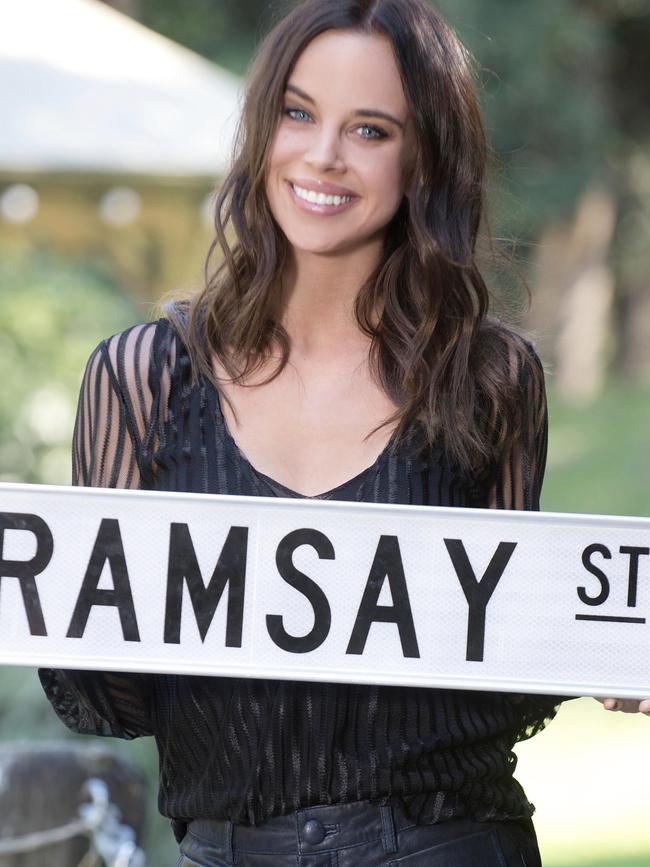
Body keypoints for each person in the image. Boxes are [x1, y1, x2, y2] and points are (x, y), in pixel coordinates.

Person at [39, 1, 650, 865]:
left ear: (424, 160)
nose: (322, 154)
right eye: (298, 112)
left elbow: (491, 661)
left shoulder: (490, 380)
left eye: (369, 129)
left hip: (446, 843)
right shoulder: (142, 378)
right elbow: (113, 686)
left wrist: (608, 652)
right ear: (263, 130)